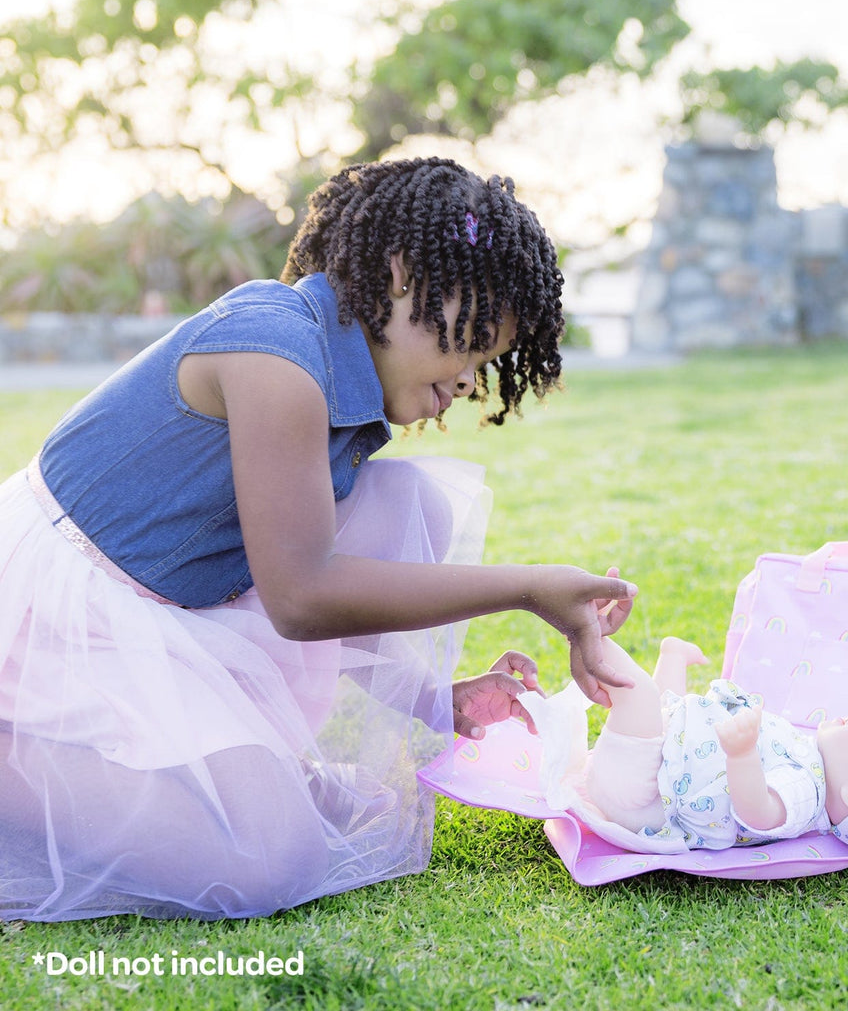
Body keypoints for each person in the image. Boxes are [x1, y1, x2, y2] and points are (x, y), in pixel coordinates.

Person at [0, 157, 638, 921]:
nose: (470, 380)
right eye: (468, 343)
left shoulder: (342, 387)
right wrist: (531, 587)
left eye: (486, 361)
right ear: (401, 274)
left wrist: (437, 697)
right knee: (266, 863)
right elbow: (302, 597)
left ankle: (248, 776)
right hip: (63, 618)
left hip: (168, 601)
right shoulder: (274, 352)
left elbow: (315, 579)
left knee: (412, 508)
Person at [524, 636, 848, 857]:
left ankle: (586, 631)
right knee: (663, 709)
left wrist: (741, 753)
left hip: (645, 797)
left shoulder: (805, 794)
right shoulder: (810, 758)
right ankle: (671, 655)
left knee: (636, 693)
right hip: (661, 769)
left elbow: (758, 811)